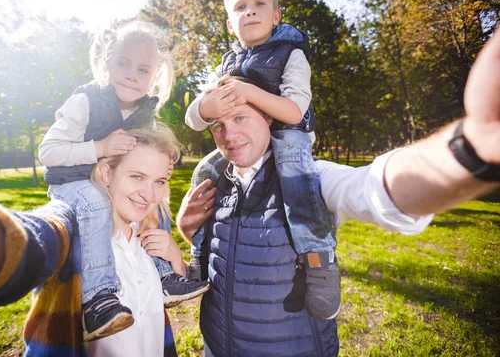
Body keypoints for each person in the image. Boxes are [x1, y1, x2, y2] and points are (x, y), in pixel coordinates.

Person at [176, 29, 500, 356]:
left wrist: (470, 150)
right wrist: (187, 229)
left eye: (240, 117)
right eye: (217, 124)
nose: (229, 135)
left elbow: (372, 190)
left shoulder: (305, 176)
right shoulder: (212, 177)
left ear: (267, 115)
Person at [0, 124, 190, 357]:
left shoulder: (150, 234)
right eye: (137, 177)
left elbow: (160, 303)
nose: (149, 194)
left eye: (159, 181)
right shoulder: (75, 230)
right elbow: (30, 239)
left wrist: (175, 257)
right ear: (106, 172)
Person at [183, 0, 340, 320]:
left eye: (259, 4)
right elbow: (193, 120)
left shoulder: (290, 53)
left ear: (276, 15)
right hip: (245, 137)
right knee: (205, 170)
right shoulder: (227, 63)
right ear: (229, 23)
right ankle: (199, 254)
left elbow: (295, 110)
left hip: (289, 135)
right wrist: (206, 105)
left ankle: (319, 260)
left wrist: (251, 92)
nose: (250, 11)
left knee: (297, 179)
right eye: (240, 7)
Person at [38, 21, 209, 341]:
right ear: (106, 63)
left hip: (110, 181)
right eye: (123, 63)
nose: (132, 74)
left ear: (155, 76)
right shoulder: (86, 101)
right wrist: (99, 148)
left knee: (154, 199)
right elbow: (48, 151)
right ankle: (98, 299)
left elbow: (149, 149)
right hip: (71, 182)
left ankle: (165, 276)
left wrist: (162, 165)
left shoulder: (145, 112)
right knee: (94, 203)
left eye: (143, 69)